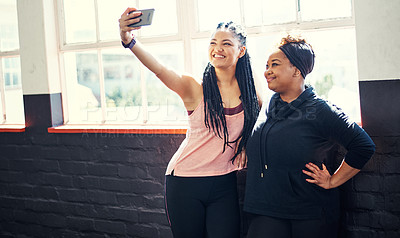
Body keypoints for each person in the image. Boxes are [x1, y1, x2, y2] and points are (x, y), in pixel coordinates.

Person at [119, 8, 260, 238]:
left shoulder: (252, 93)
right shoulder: (195, 88)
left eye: (226, 43)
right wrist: (129, 40)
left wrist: (247, 144)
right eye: (213, 43)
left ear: (241, 51)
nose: (218, 48)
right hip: (185, 182)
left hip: (224, 182)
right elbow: (160, 68)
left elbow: (261, 124)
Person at [244, 35, 375, 238]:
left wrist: (333, 181)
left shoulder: (320, 109)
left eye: (275, 64)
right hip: (266, 208)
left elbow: (364, 145)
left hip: (309, 213)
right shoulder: (269, 106)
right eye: (267, 65)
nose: (267, 71)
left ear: (296, 70)